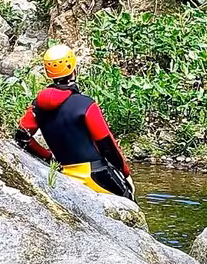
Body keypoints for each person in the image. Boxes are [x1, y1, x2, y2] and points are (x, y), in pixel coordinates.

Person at [14, 44, 134, 198]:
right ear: (73, 69)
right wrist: (125, 173)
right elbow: (107, 145)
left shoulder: (37, 105)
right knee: (129, 203)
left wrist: (48, 156)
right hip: (95, 176)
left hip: (64, 175)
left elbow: (22, 137)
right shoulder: (86, 104)